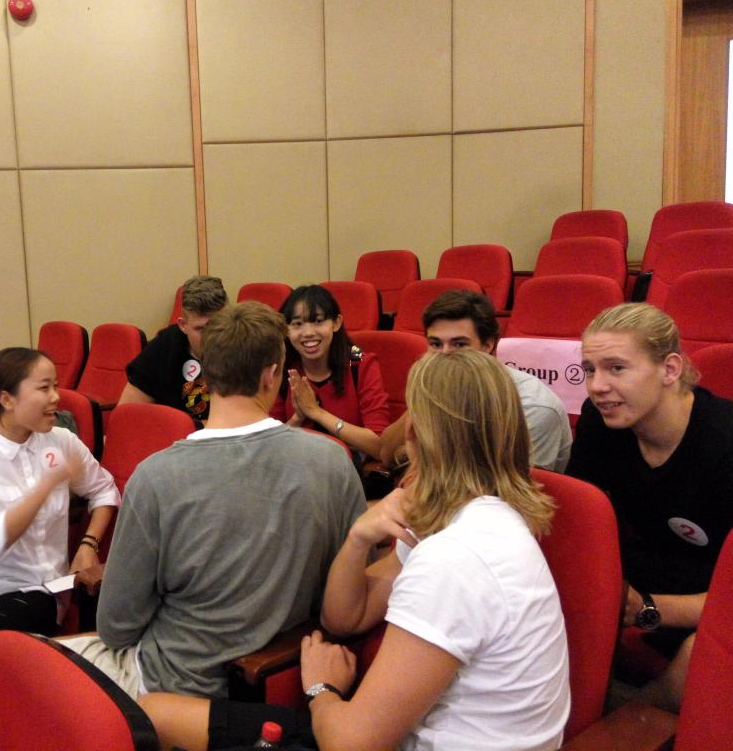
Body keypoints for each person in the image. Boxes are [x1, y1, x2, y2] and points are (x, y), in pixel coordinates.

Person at [140, 349, 570, 751]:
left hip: (365, 737)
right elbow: (345, 618)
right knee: (158, 713)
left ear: (414, 434)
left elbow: (350, 743)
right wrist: (359, 538)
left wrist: (321, 688)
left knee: (155, 714)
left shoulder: (454, 558)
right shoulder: (481, 517)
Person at [59, 302, 367, 699]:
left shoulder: (154, 477)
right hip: (283, 678)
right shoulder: (333, 460)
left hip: (165, 683)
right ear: (272, 374)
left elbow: (116, 628)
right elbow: (345, 590)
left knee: (8, 660)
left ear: (203, 374)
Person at [566, 303, 733, 712]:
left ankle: (631, 727)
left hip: (718, 592)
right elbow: (577, 522)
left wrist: (649, 609)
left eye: (616, 368)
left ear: (670, 369)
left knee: (697, 655)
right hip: (655, 567)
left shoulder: (725, 445)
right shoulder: (600, 421)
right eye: (589, 369)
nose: (597, 386)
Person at [0, 347, 119, 637]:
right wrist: (46, 485)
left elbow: (104, 490)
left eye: (55, 385)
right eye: (44, 388)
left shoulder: (62, 441)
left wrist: (88, 544)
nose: (56, 397)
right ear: (6, 400)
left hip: (35, 587)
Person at [380, 289, 571, 472]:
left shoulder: (532, 405)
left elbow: (510, 488)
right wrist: (422, 401)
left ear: (488, 345)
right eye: (436, 344)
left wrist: (415, 455)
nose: (444, 355)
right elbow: (387, 455)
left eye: (459, 344)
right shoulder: (437, 386)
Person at [271, 285, 390, 461]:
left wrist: (317, 412)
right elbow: (270, 447)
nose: (308, 333)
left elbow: (379, 446)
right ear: (286, 330)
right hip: (296, 464)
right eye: (297, 324)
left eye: (318, 321)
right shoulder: (282, 367)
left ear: (336, 323)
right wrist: (297, 418)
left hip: (350, 466)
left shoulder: (360, 362)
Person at [117, 275, 229, 425]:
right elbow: (126, 416)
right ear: (183, 325)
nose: (211, 335)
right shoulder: (163, 348)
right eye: (201, 329)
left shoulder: (246, 348)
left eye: (218, 325)